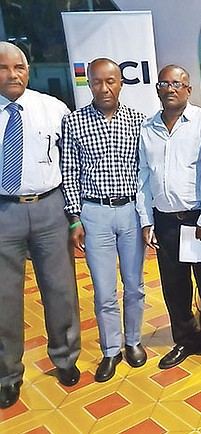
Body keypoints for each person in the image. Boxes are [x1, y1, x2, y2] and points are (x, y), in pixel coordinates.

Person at [0, 42, 80, 409]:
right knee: (4, 298)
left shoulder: (53, 108)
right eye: (4, 68)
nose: (13, 74)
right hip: (4, 212)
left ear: (28, 69)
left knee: (61, 290)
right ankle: (7, 375)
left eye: (19, 67)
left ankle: (65, 358)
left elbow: (72, 161)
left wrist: (73, 213)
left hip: (50, 208)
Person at [136, 65, 201, 370]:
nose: (171, 88)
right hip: (165, 221)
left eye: (178, 83)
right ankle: (185, 339)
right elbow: (143, 177)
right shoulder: (147, 129)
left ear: (189, 90)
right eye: (165, 83)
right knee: (174, 286)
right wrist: (146, 220)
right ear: (158, 89)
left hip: (198, 221)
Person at [62, 58, 147, 383]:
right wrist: (74, 219)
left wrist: (145, 217)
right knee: (103, 290)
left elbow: (144, 172)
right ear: (89, 84)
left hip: (129, 211)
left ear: (120, 83)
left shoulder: (138, 121)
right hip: (93, 213)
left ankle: (133, 342)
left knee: (135, 285)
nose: (104, 87)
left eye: (110, 81)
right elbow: (68, 172)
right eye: (97, 82)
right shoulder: (74, 122)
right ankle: (111, 350)